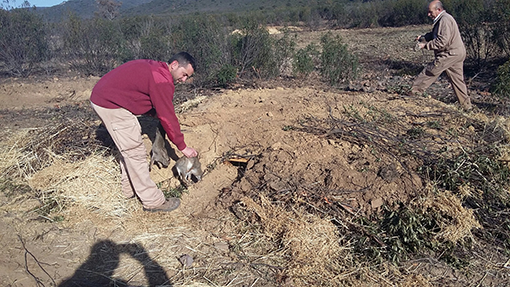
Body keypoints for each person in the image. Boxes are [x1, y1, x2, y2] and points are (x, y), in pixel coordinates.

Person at [90, 52, 198, 212]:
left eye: (187, 77)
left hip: (106, 98)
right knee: (135, 152)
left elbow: (140, 97)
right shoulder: (161, 80)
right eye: (184, 74)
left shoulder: (157, 69)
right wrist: (182, 146)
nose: (183, 80)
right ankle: (153, 201)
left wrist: (155, 113)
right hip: (110, 104)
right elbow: (167, 116)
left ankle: (129, 191)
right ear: (174, 64)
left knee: (128, 149)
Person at [411, 0, 472, 110]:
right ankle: (467, 107)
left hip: (450, 53)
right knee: (457, 81)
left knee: (431, 70)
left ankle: (414, 92)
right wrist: (423, 37)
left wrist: (425, 45)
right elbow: (436, 34)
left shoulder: (444, 20)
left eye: (430, 12)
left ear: (438, 10)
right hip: (457, 53)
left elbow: (442, 41)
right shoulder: (442, 19)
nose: (428, 14)